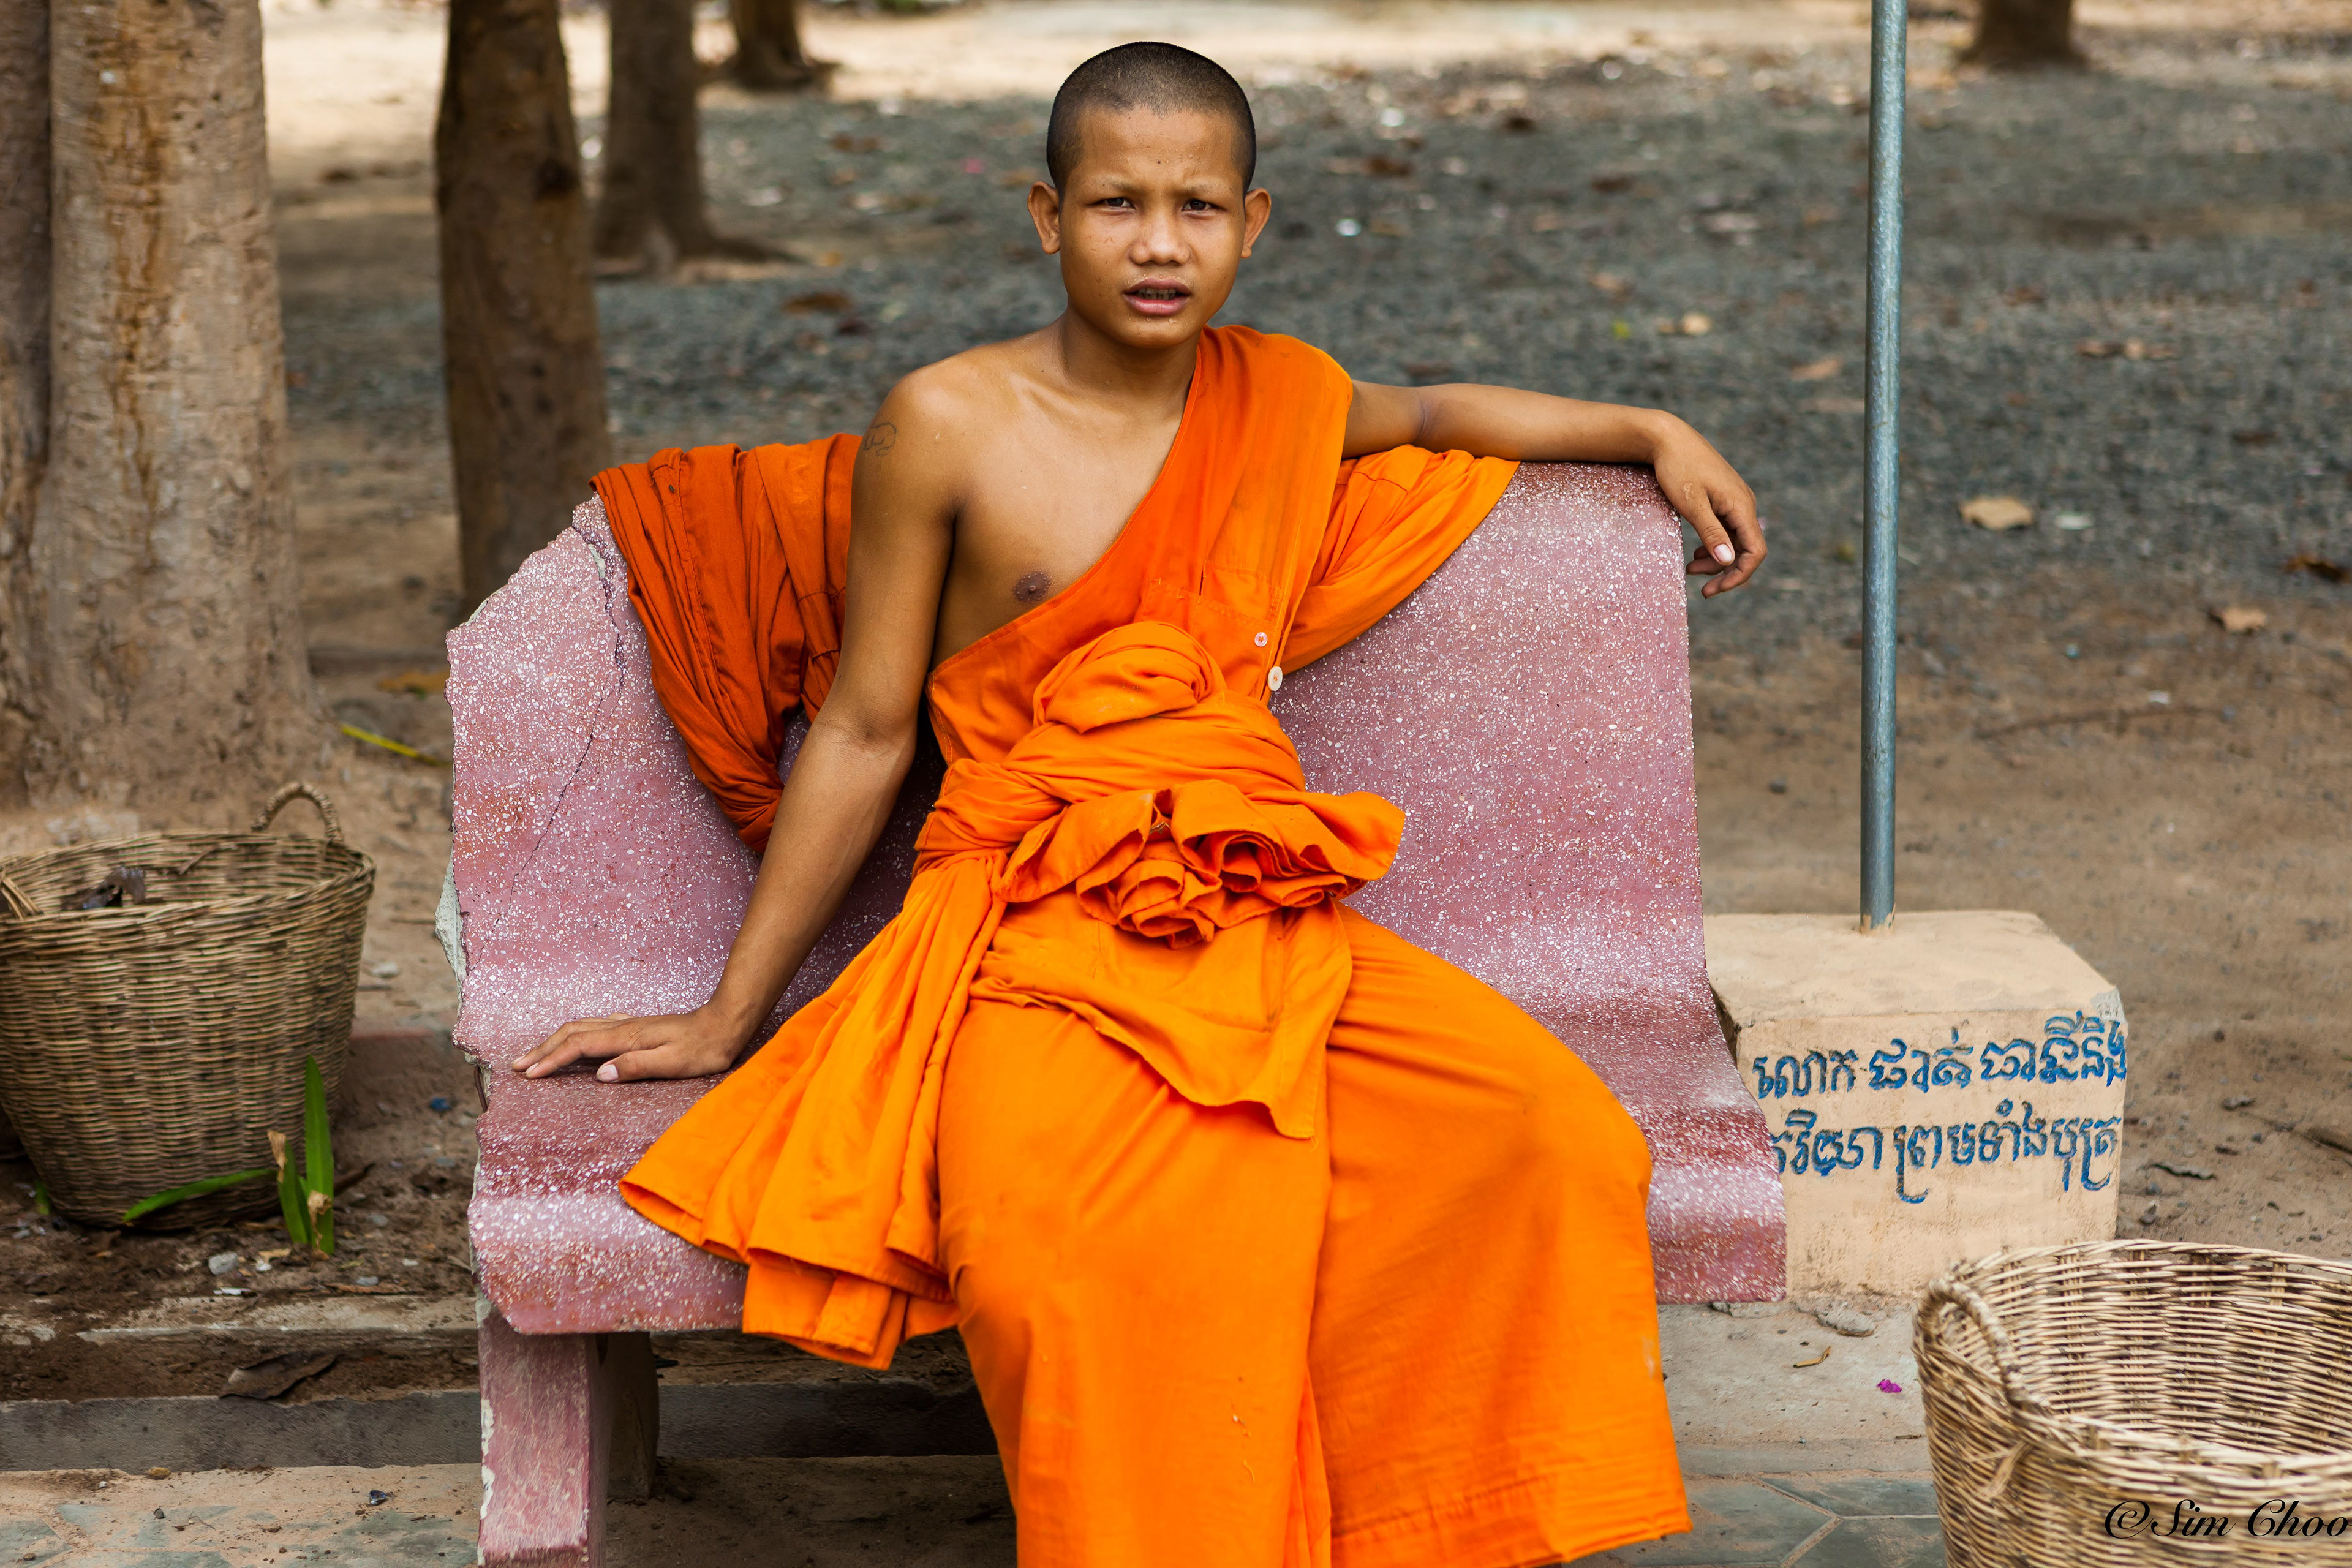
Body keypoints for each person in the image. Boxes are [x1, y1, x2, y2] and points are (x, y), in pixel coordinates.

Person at [514, 40, 1763, 1568]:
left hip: (1251, 911)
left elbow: (1436, 407)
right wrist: (730, 1012)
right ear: (1048, 217)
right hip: (1024, 929)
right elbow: (863, 725)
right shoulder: (948, 421)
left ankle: (1407, 1532)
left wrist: (1648, 428)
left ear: (1252, 223)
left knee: (1549, 1134)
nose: (1159, 244)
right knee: (1043, 1248)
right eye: (1117, 204)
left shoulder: (1283, 397)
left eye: (1197, 206)